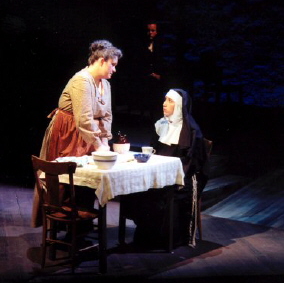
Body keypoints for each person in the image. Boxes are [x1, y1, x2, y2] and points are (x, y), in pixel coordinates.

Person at [31, 39, 123, 228]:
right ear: (100, 60)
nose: (114, 69)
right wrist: (99, 146)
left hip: (88, 135)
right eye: (112, 65)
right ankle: (62, 226)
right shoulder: (82, 80)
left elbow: (107, 115)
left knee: (87, 180)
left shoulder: (105, 84)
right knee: (66, 180)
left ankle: (81, 226)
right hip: (68, 133)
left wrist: (105, 141)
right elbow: (84, 118)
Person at [122, 88, 209, 249]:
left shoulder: (191, 130)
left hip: (184, 176)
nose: (164, 104)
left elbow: (191, 163)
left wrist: (170, 176)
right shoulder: (161, 125)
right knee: (137, 189)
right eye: (164, 100)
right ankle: (146, 237)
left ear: (180, 106)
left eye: (170, 101)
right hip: (159, 173)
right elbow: (154, 151)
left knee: (165, 195)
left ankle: (168, 239)